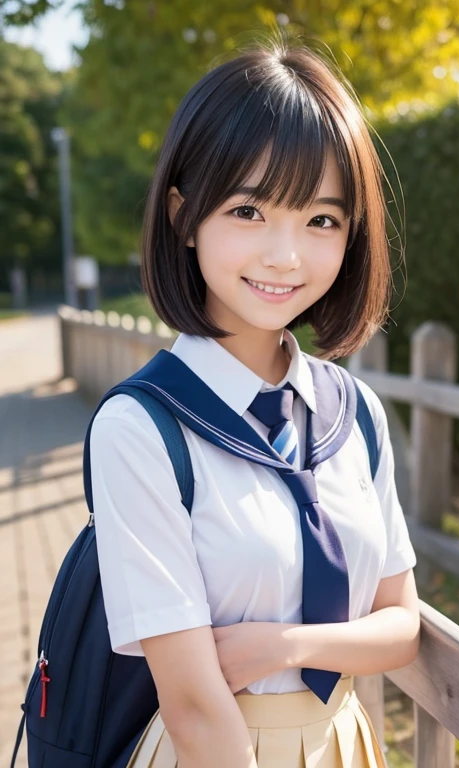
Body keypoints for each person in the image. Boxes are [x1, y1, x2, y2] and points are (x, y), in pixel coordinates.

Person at [90, 35, 420, 768]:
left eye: (321, 220)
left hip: (345, 742)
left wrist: (287, 645)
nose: (286, 255)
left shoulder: (355, 413)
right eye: (248, 210)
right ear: (184, 215)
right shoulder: (141, 429)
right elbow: (195, 707)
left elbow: (402, 622)